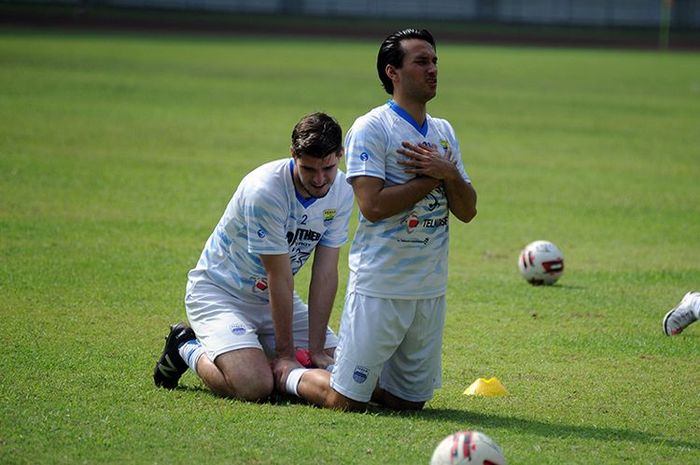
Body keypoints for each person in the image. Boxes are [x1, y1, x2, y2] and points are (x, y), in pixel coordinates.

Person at [274, 28, 477, 411]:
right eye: (421, 62)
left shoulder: (443, 132)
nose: (433, 69)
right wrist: (434, 175)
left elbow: (467, 211)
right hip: (381, 286)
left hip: (429, 288)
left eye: (434, 61)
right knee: (343, 401)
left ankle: (354, 375)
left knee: (408, 402)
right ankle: (285, 373)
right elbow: (373, 205)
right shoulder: (372, 128)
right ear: (393, 72)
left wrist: (449, 174)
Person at [153, 112, 354, 401]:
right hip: (221, 294)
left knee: (346, 369)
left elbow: (325, 273)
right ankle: (185, 346)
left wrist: (317, 349)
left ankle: (258, 348)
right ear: (293, 155)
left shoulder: (342, 191)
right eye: (309, 169)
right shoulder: (266, 190)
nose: (320, 179)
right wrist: (286, 355)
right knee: (254, 385)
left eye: (328, 168)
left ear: (340, 155)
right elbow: (279, 275)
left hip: (270, 298)